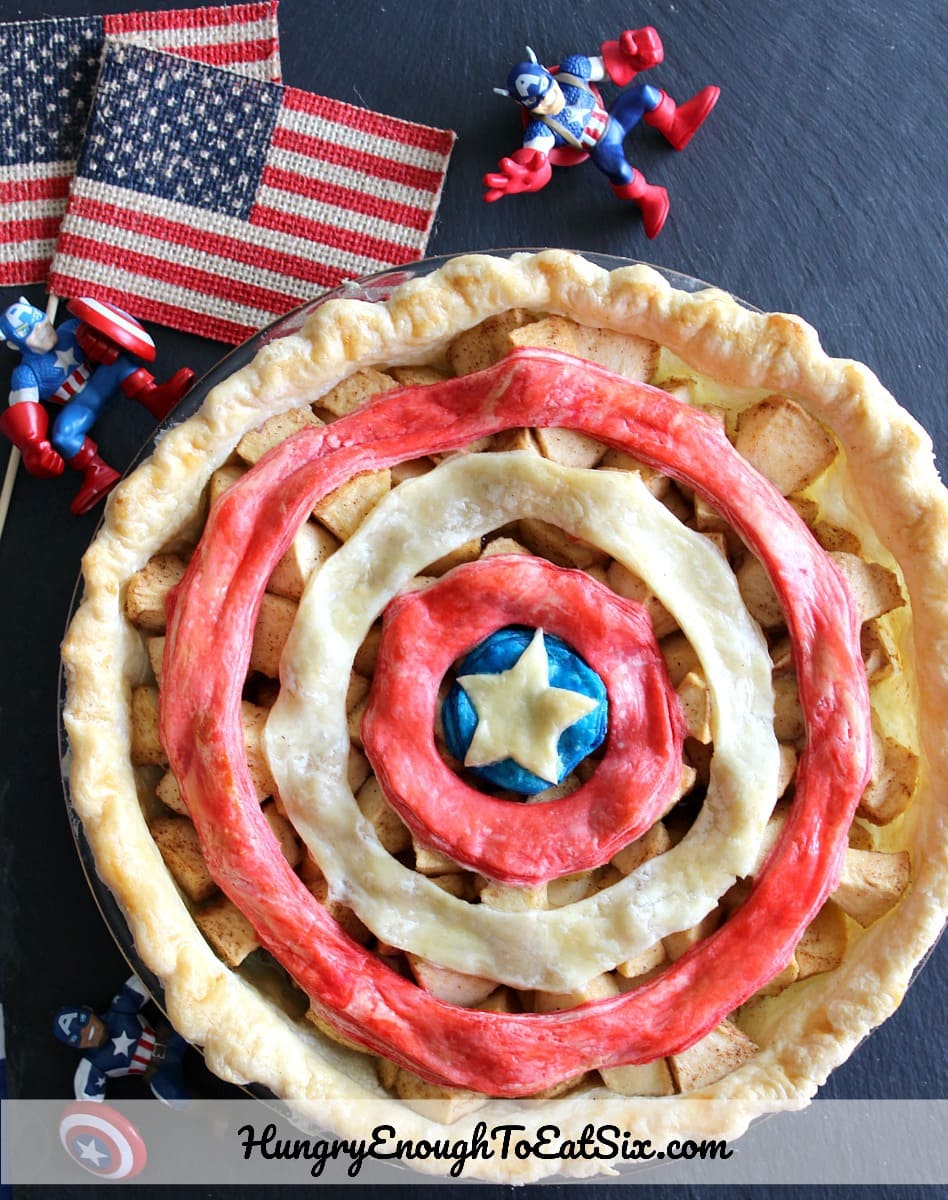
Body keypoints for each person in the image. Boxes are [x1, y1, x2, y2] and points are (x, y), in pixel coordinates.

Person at [485, 28, 719, 237]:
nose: (549, 101)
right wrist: (529, 172)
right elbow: (536, 156)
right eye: (539, 102)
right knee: (619, 170)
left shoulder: (572, 72)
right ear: (525, 105)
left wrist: (631, 53)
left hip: (614, 120)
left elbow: (607, 66)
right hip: (600, 147)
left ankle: (676, 124)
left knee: (645, 94)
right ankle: (648, 196)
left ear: (548, 74)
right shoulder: (541, 129)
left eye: (549, 91)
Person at [0, 297, 193, 513]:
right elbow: (23, 408)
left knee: (121, 362)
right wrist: (33, 445)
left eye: (42, 323)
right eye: (31, 331)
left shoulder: (69, 329)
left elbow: (114, 333)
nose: (42, 331)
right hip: (79, 407)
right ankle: (97, 471)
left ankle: (157, 399)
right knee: (63, 435)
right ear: (13, 344)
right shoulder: (26, 374)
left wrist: (101, 344)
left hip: (101, 381)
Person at [53, 975, 189, 1106]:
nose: (86, 1032)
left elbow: (147, 977)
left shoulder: (119, 1011)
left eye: (82, 1021)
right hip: (159, 1071)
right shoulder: (94, 1064)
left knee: (190, 1015)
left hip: (169, 1037)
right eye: (76, 1038)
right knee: (173, 1096)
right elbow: (87, 1107)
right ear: (76, 1046)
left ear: (88, 1010)